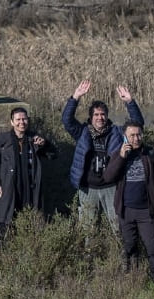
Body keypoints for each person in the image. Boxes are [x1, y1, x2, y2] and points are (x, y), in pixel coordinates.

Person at [62, 80, 144, 236]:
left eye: (103, 114)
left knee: (118, 229)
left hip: (112, 188)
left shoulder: (117, 132)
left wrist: (130, 102)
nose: (100, 118)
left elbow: (138, 125)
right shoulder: (82, 132)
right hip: (87, 189)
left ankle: (122, 258)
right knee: (88, 232)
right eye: (96, 115)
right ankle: (89, 260)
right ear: (91, 117)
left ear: (107, 116)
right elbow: (67, 120)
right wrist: (75, 97)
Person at [103, 121, 154, 284]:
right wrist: (121, 157)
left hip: (146, 211)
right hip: (125, 210)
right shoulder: (118, 153)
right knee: (129, 246)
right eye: (132, 135)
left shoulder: (150, 153)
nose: (136, 138)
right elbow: (108, 177)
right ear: (125, 137)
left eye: (139, 134)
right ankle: (131, 279)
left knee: (153, 247)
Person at [0, 107, 56, 236]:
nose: (21, 122)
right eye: (18, 119)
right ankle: (8, 253)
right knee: (7, 224)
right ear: (12, 122)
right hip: (10, 189)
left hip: (31, 189)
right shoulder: (4, 139)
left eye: (24, 119)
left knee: (32, 223)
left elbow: (53, 154)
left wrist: (45, 144)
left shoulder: (34, 138)